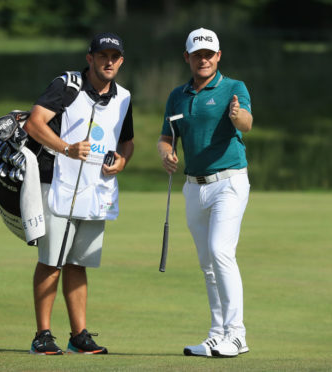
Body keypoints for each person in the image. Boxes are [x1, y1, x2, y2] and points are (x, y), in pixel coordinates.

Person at [23, 32, 134, 355]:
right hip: (57, 183)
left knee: (78, 262)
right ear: (90, 59)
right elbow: (35, 123)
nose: (109, 61)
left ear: (121, 61)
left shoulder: (124, 97)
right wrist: (66, 149)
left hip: (96, 191)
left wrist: (123, 160)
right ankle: (42, 335)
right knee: (51, 261)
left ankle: (78, 336)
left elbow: (126, 139)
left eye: (115, 56)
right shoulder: (67, 85)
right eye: (103, 56)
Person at [157, 27, 253, 358]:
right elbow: (166, 136)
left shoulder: (233, 88)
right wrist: (166, 152)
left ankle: (237, 335)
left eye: (209, 54)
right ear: (187, 57)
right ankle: (217, 333)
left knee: (220, 251)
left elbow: (247, 123)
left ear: (218, 56)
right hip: (192, 187)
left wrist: (237, 115)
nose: (204, 59)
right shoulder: (177, 96)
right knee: (207, 263)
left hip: (228, 182)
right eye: (197, 55)